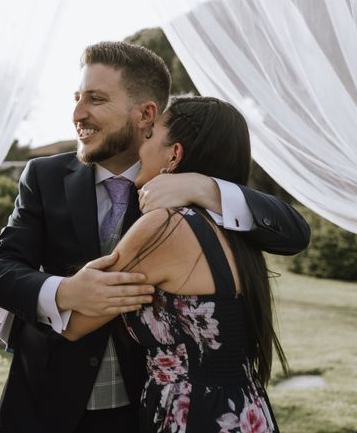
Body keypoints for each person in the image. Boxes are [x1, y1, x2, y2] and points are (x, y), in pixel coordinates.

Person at [0, 41, 309, 433]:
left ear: (146, 114)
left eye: (95, 98)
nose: (77, 113)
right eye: (76, 98)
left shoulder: (179, 188)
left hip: (142, 410)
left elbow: (292, 232)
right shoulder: (43, 175)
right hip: (47, 406)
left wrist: (205, 187)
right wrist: (64, 292)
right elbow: (0, 272)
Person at [63, 96, 286, 432]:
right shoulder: (238, 224)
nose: (141, 143)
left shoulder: (162, 226)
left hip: (192, 413)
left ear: (174, 154)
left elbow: (76, 322)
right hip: (244, 409)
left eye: (150, 135)